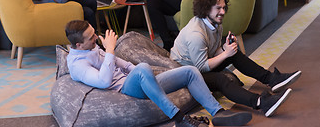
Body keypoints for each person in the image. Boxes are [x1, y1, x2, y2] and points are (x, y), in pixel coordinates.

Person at [65, 20, 253, 127]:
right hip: (126, 89)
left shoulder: (91, 48)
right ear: (78, 45)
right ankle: (179, 120)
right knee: (142, 68)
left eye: (93, 33)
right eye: (91, 38)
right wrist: (111, 50)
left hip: (140, 81)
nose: (96, 37)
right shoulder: (78, 65)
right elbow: (104, 81)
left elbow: (124, 64)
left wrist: (139, 75)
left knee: (190, 71)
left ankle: (218, 113)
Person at [170, 0, 302, 117]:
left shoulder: (215, 23)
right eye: (218, 8)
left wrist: (225, 49)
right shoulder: (196, 34)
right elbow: (201, 68)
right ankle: (262, 103)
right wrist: (225, 54)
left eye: (223, 7)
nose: (222, 12)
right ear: (206, 9)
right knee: (220, 79)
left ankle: (272, 79)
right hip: (186, 74)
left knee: (234, 53)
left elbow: (210, 52)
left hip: (199, 65)